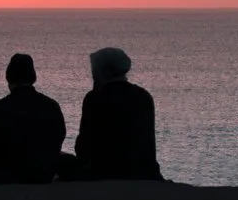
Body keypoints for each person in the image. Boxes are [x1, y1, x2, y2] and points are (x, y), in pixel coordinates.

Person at [57, 45, 163, 181]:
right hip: (140, 171)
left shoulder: (95, 98)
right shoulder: (143, 96)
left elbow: (83, 148)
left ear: (99, 72)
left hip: (103, 172)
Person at [0, 52, 65, 185]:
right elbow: (59, 136)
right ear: (33, 77)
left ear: (8, 78)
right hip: (43, 175)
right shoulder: (51, 106)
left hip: (7, 177)